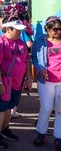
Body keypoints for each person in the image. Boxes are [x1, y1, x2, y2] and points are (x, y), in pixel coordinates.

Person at [0, 18, 33, 149]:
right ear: (8, 29)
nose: (20, 33)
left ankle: (5, 129)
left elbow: (26, 61)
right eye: (17, 30)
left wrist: (29, 78)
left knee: (8, 108)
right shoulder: (0, 42)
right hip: (3, 83)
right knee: (0, 108)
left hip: (16, 83)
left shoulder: (21, 43)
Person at [31, 16, 61, 149]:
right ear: (47, 29)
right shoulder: (40, 41)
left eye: (60, 29)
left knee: (60, 110)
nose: (58, 32)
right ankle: (41, 132)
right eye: (55, 29)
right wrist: (39, 69)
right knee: (47, 108)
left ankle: (58, 137)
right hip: (46, 81)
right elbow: (34, 58)